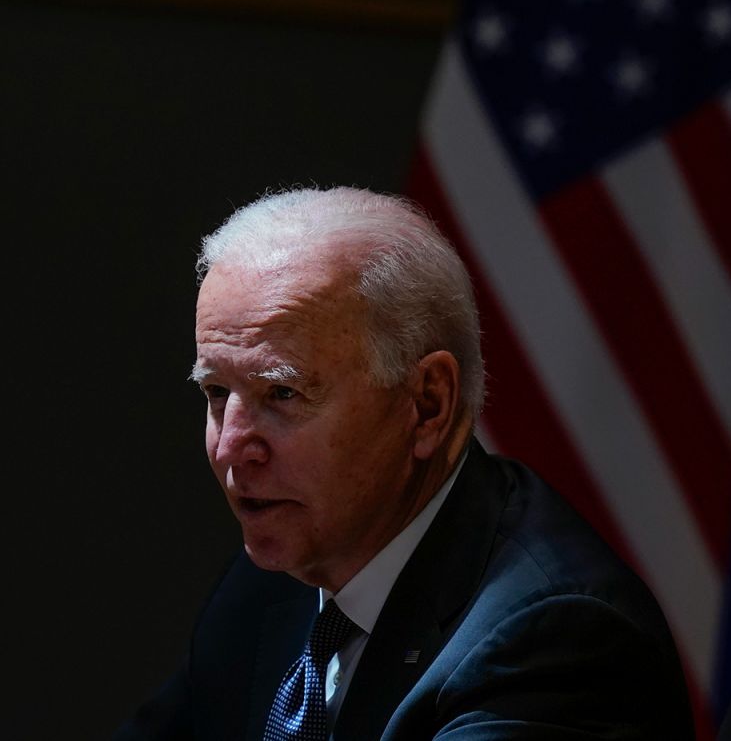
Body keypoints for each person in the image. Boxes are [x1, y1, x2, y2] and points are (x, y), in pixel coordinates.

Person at [115, 187, 693, 740]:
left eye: (283, 394)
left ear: (427, 404)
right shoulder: (272, 582)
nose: (230, 447)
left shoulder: (556, 643)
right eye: (216, 393)